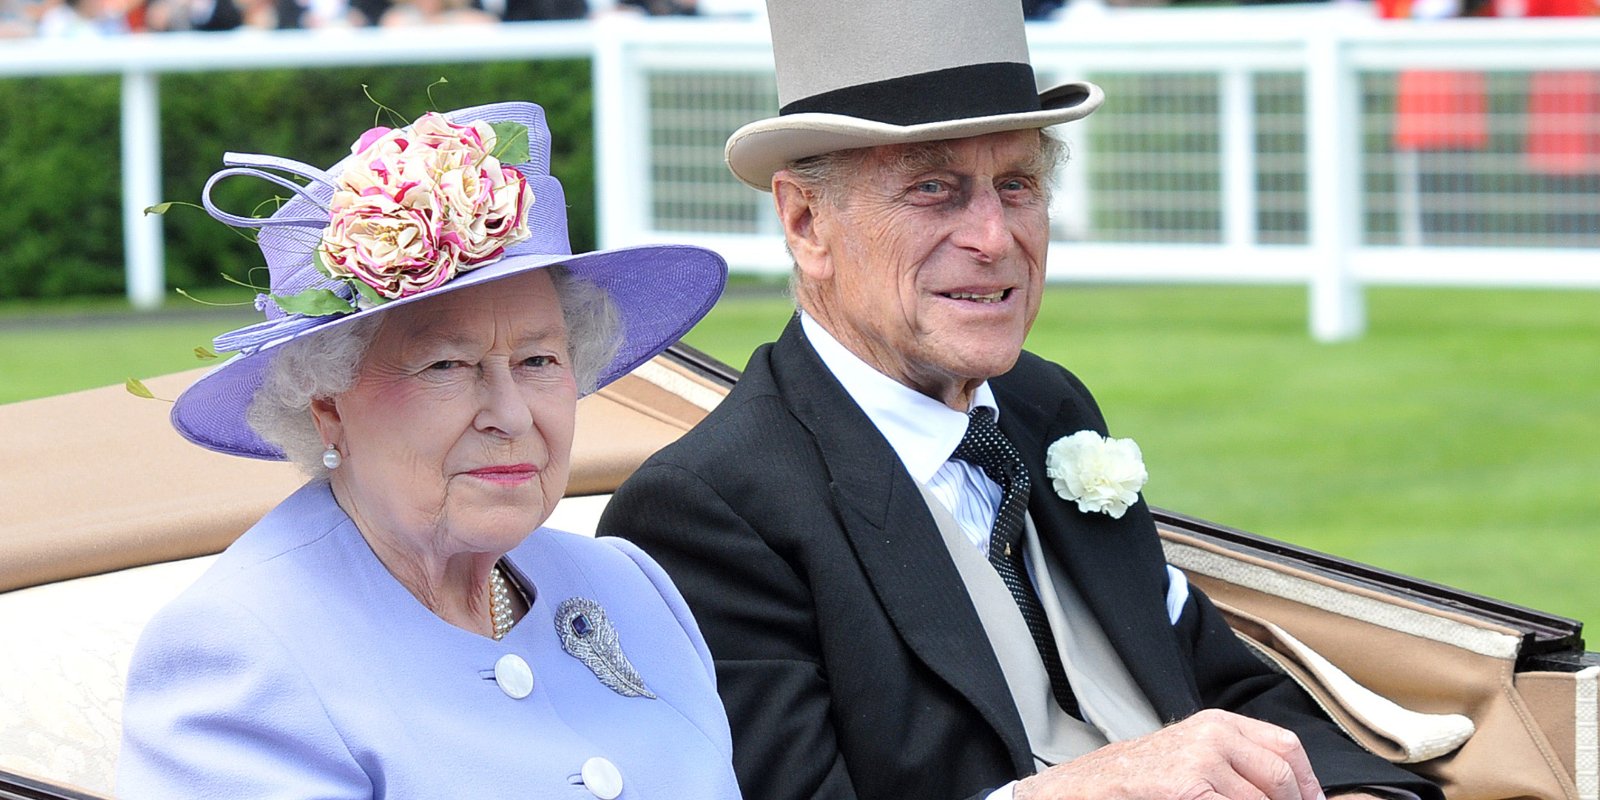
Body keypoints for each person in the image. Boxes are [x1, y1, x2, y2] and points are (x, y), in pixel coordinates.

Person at [597, 2, 1445, 800]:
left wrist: (1358, 788)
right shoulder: (709, 512)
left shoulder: (1043, 406)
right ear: (806, 221)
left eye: (1016, 184)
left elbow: (1213, 675)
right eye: (932, 188)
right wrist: (1098, 784)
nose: (994, 239)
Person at [116, 101, 741, 799]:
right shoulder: (241, 653)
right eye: (445, 366)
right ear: (328, 407)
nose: (510, 415)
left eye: (537, 361)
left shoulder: (631, 585)